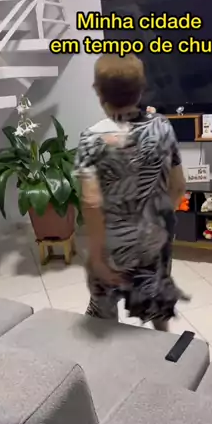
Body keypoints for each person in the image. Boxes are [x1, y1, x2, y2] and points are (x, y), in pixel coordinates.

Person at [74, 54, 187, 330]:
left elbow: (91, 202)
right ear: (141, 89)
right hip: (154, 238)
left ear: (98, 91)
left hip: (113, 243)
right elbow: (179, 186)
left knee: (103, 314)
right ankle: (164, 351)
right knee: (157, 305)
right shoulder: (162, 127)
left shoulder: (91, 139)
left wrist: (96, 256)